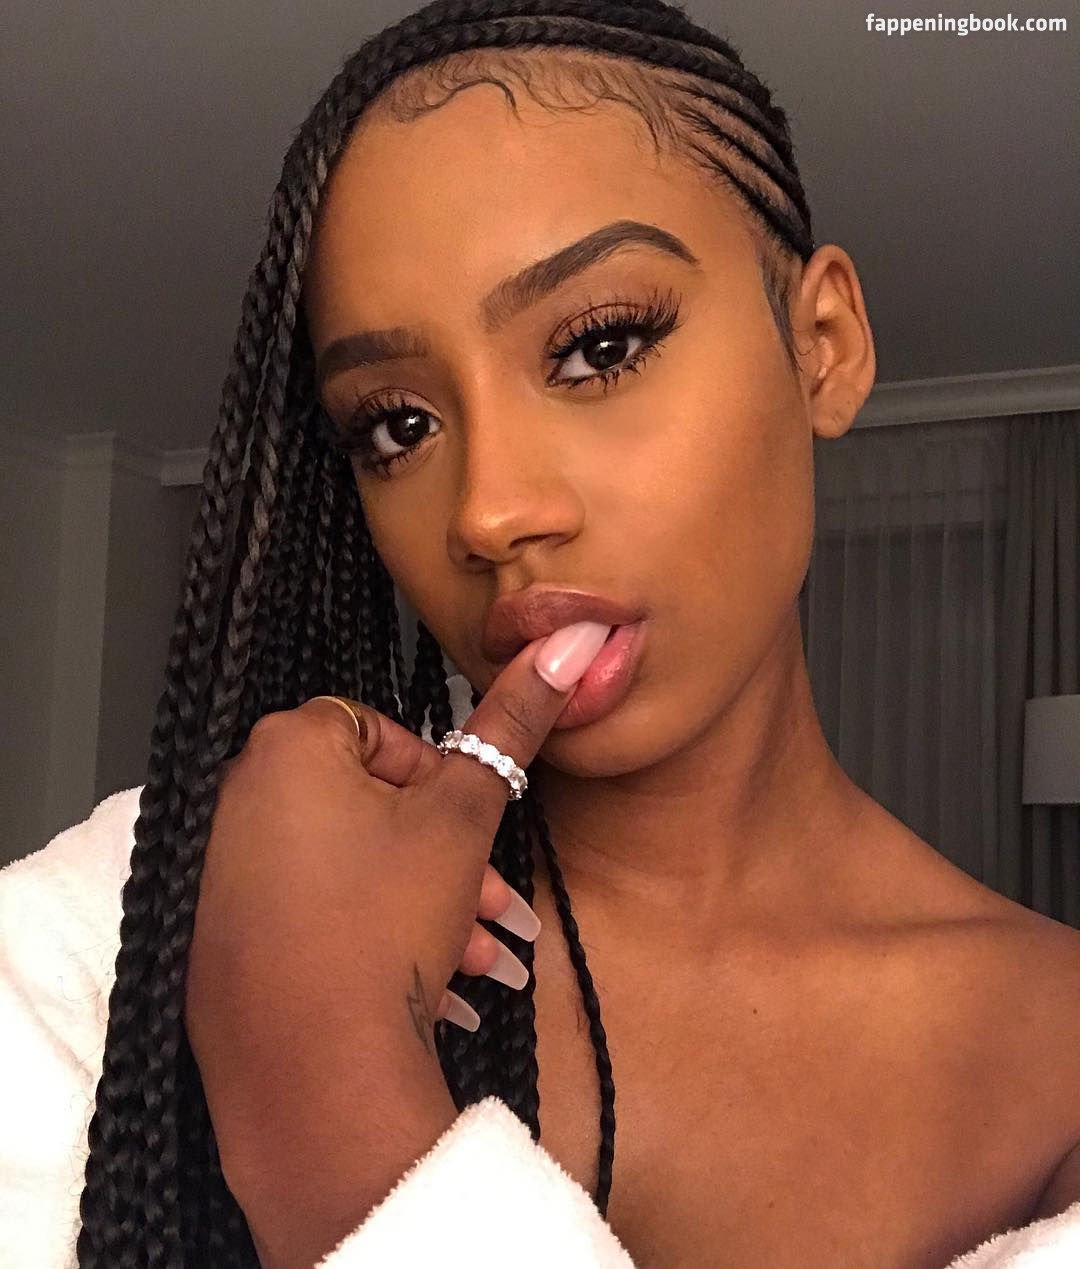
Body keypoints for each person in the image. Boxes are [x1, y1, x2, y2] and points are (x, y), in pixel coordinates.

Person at [1, 0, 1078, 1265]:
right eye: (397, 425)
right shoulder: (179, 908)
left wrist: (326, 1099)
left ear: (823, 347)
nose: (489, 511)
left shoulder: (1055, 1048)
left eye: (598, 348)